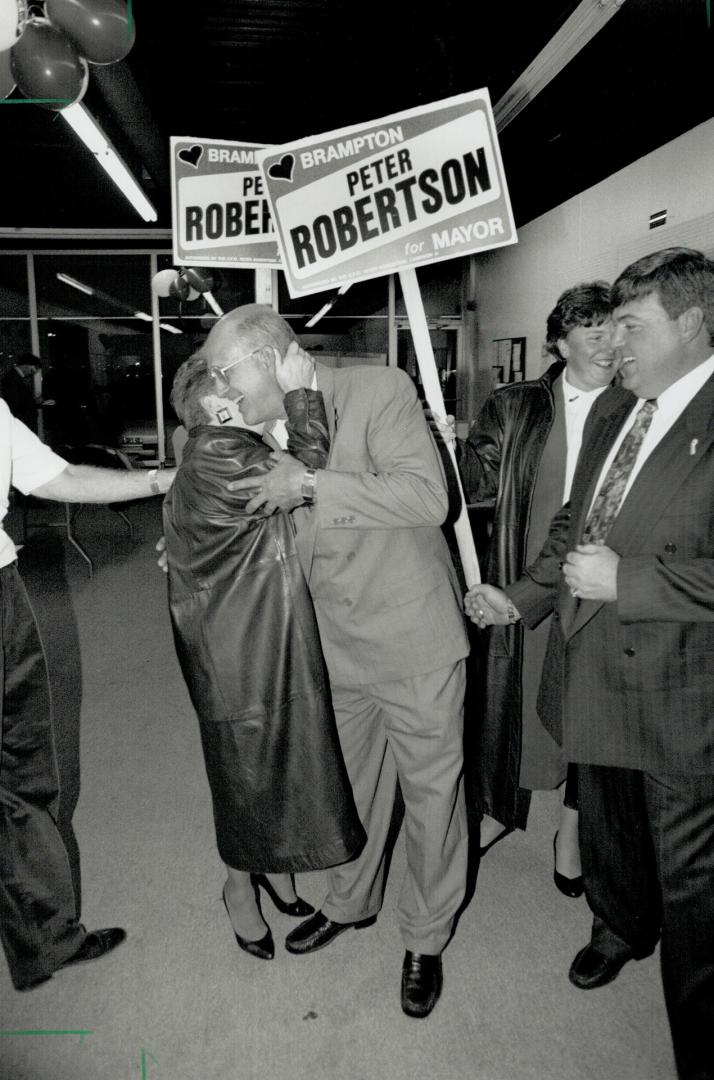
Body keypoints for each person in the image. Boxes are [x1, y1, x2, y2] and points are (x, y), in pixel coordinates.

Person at [467, 247, 714, 1080]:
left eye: (632, 328)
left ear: (691, 323)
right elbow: (576, 522)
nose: (615, 347)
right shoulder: (615, 410)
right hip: (592, 673)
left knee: (695, 896)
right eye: (607, 330)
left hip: (683, 698)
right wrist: (524, 596)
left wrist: (632, 579)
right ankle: (616, 929)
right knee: (607, 838)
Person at [198, 304, 470, 1018]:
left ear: (269, 355)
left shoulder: (379, 389)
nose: (219, 385)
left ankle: (427, 935)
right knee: (355, 790)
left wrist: (312, 486)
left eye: (227, 371)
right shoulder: (252, 431)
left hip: (413, 640)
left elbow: (427, 497)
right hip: (332, 648)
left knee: (433, 800)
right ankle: (352, 903)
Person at [162, 352, 365, 961]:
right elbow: (304, 473)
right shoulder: (224, 450)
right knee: (246, 769)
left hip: (239, 626)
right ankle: (237, 888)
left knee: (271, 761)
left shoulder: (211, 447)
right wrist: (303, 397)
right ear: (216, 404)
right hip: (236, 639)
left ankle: (274, 870)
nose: (250, 389)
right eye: (234, 382)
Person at [0, 399, 175, 991]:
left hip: (1, 590)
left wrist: (166, 478)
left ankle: (44, 941)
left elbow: (61, 477)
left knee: (26, 773)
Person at [458, 282, 617, 894]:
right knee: (508, 704)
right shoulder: (518, 404)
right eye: (593, 331)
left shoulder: (638, 405)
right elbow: (475, 483)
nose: (607, 343)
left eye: (614, 329)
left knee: (591, 715)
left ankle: (571, 834)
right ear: (560, 341)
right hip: (525, 579)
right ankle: (483, 811)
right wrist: (438, 446)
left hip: (600, 585)